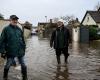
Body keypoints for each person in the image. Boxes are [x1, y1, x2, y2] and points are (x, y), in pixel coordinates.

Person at [0, 15, 27, 80]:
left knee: (23, 65)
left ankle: (25, 77)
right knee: (8, 65)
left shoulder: (19, 29)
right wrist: (3, 51)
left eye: (16, 20)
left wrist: (24, 48)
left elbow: (23, 40)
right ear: (10, 20)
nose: (15, 21)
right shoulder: (6, 29)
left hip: (20, 51)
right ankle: (5, 77)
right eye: (13, 19)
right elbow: (2, 41)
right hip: (10, 51)